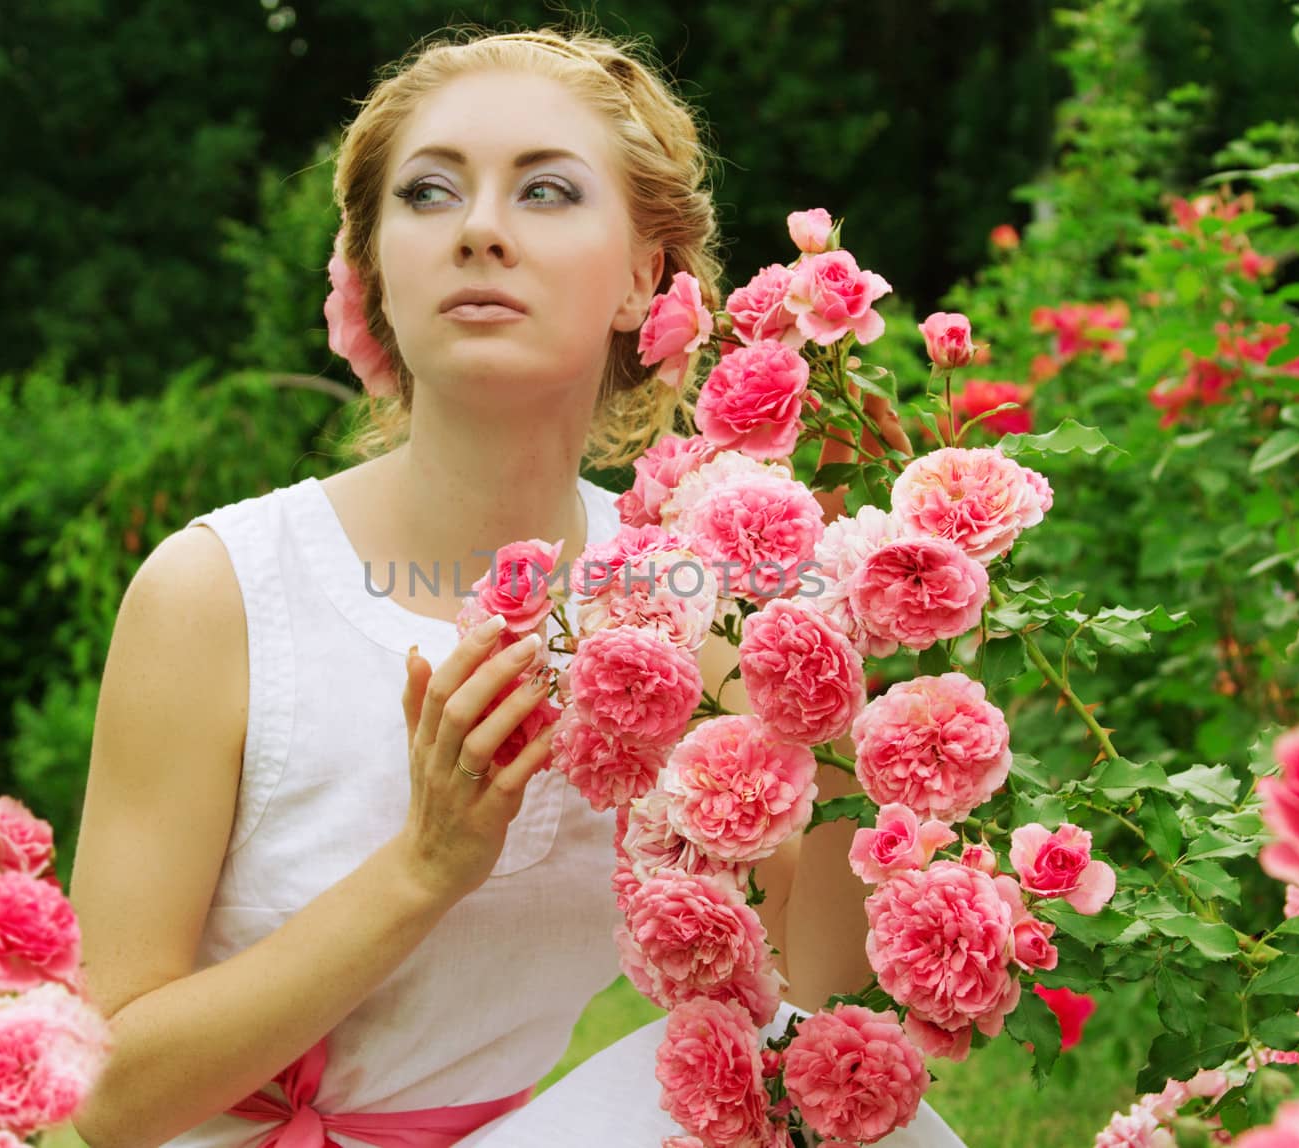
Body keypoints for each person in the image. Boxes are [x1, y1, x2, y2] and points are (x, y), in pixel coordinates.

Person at [67, 26, 967, 1148]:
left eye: (544, 191)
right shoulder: (218, 593)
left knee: (827, 1092)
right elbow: (99, 1099)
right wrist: (421, 869)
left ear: (646, 278)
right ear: (377, 271)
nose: (480, 230)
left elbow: (817, 1000)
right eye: (429, 193)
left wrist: (871, 648)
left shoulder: (689, 595)